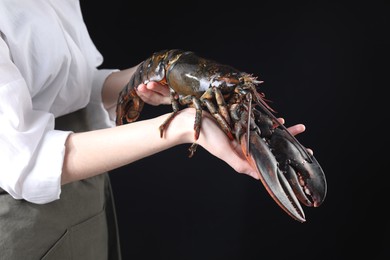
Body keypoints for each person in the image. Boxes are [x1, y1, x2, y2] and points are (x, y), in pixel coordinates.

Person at [0, 1, 308, 259]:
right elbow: (26, 160)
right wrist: (184, 126)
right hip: (30, 226)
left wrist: (151, 72)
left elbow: (66, 85)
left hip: (88, 201)